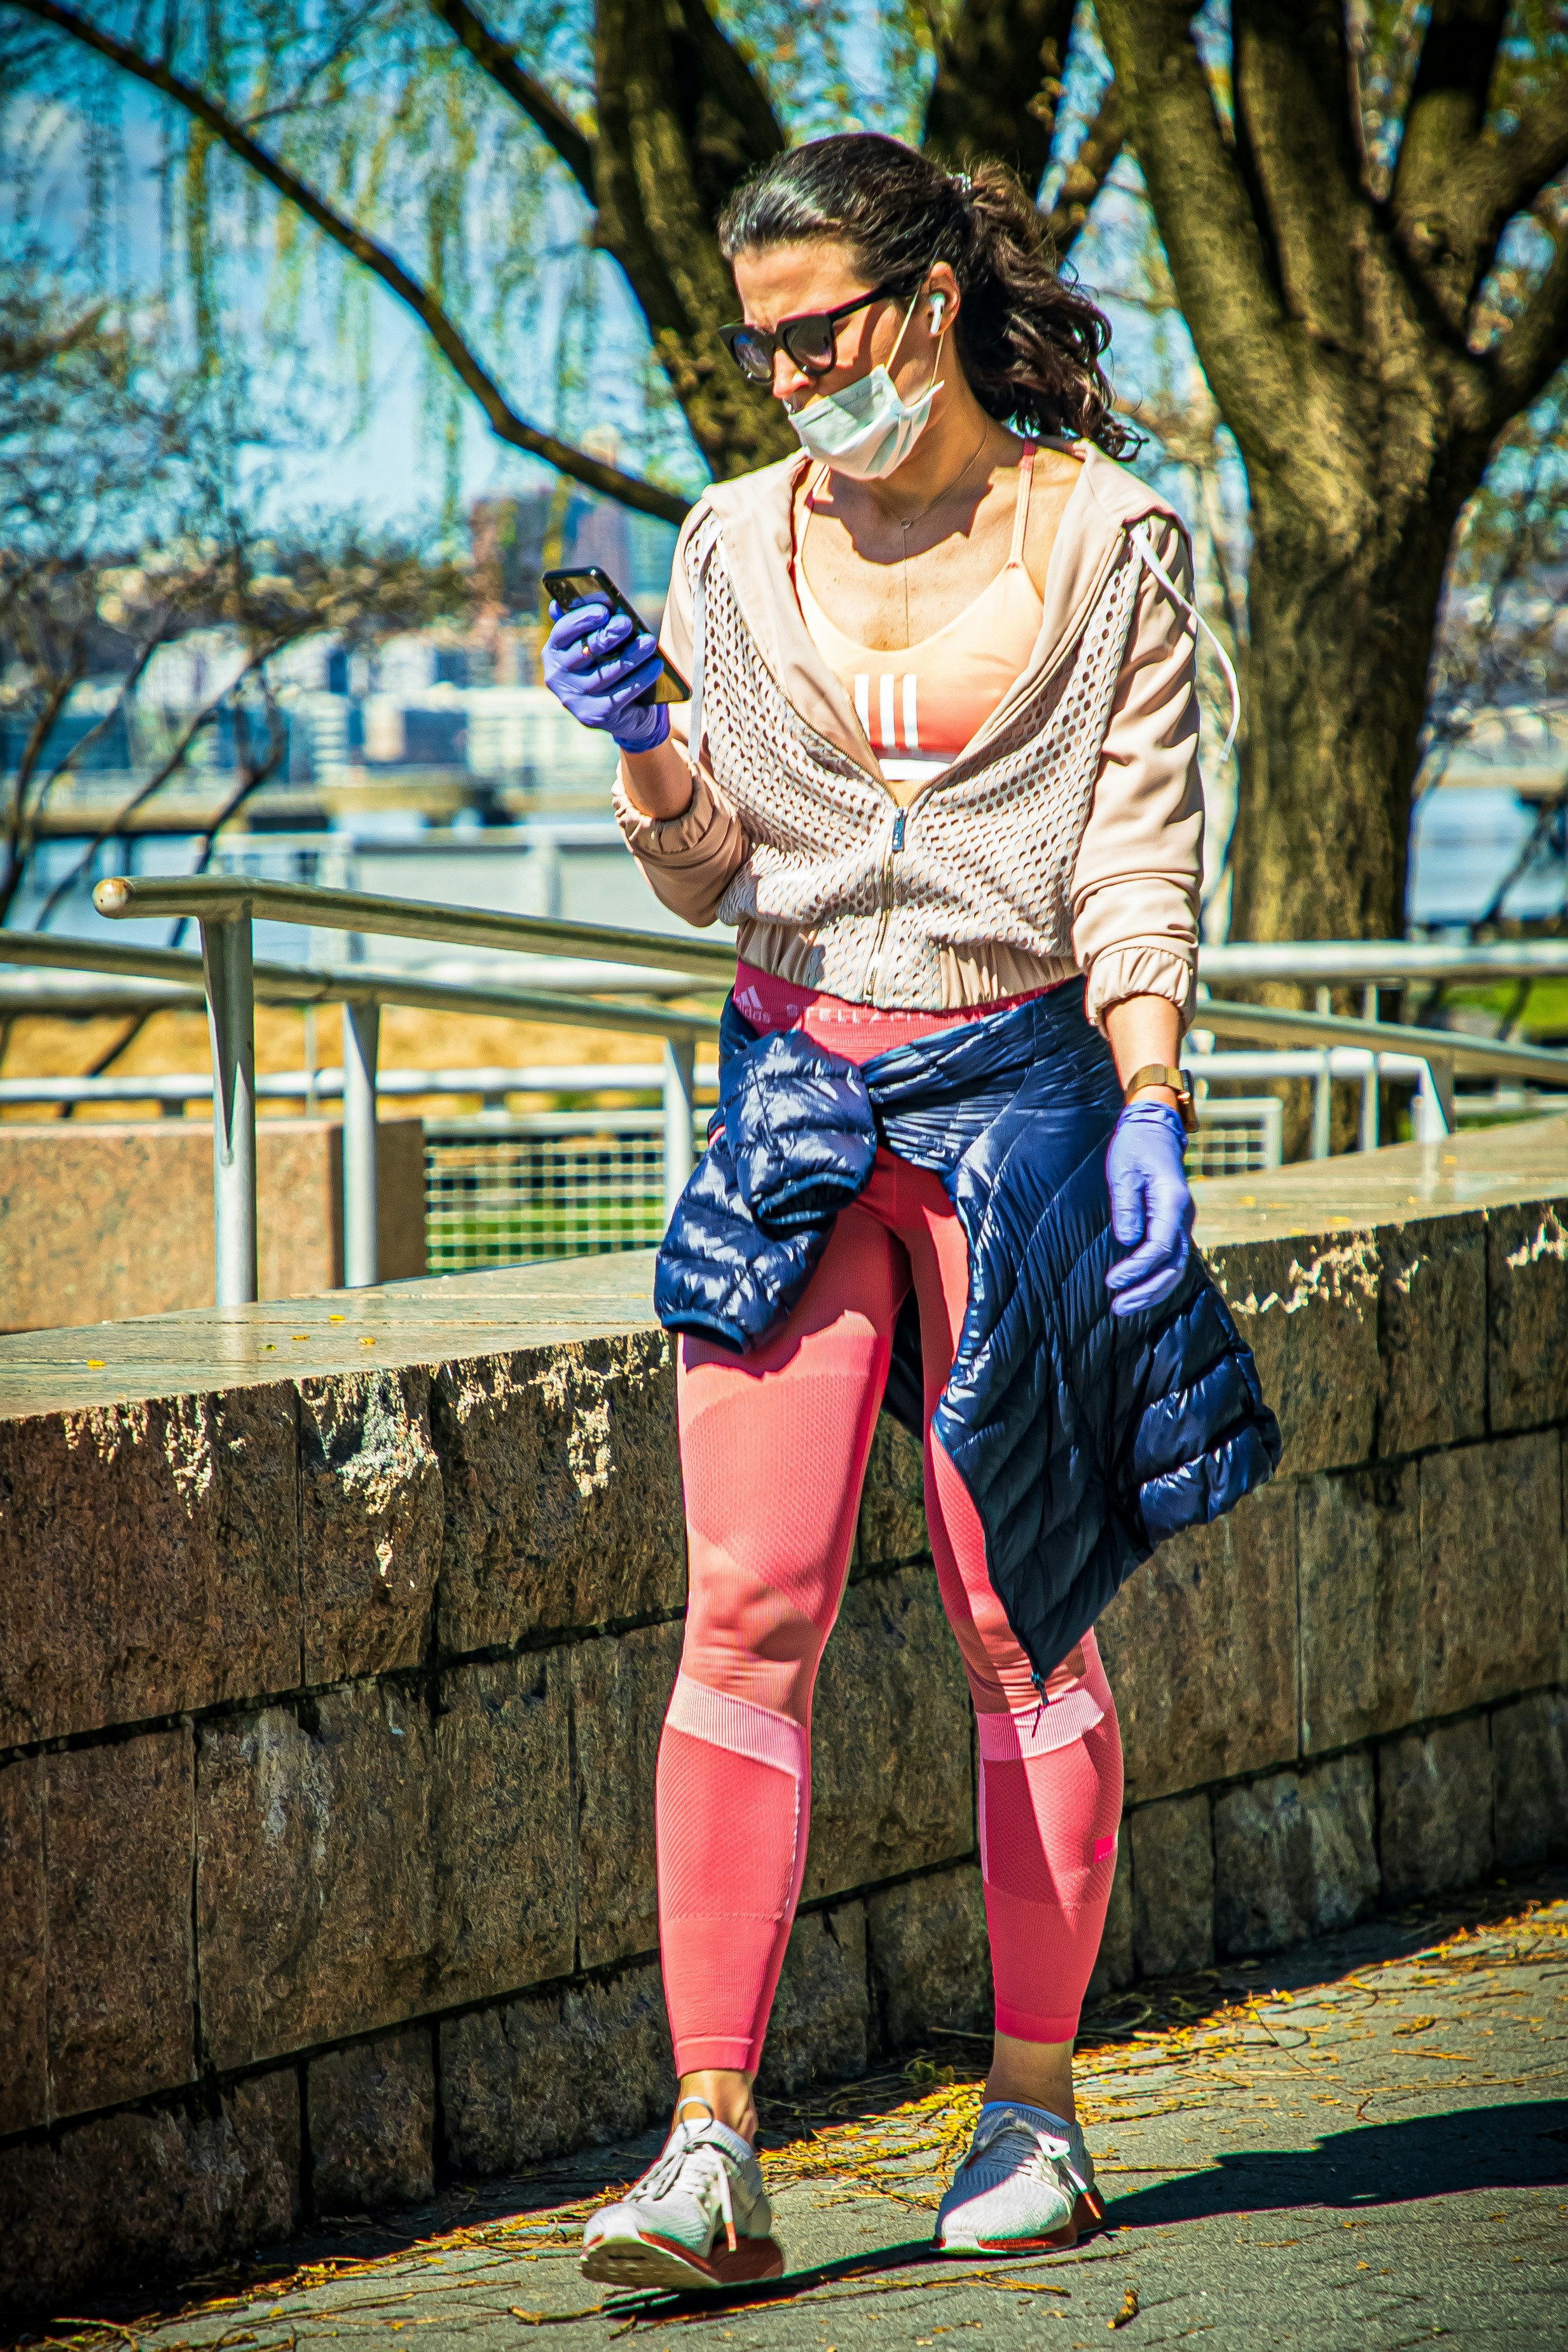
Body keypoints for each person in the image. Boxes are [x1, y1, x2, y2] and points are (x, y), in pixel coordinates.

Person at [540, 132, 1279, 2292]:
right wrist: (651, 759)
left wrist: (1148, 1091)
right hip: (790, 1094)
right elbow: (707, 865)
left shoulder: (1108, 537)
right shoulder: (728, 544)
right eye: (752, 347)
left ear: (925, 303)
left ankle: (1033, 2110)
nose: (783, 381)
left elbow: (1136, 850)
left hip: (1024, 1093)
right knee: (744, 1603)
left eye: (815, 334)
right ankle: (706, 2146)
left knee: (1009, 1610)